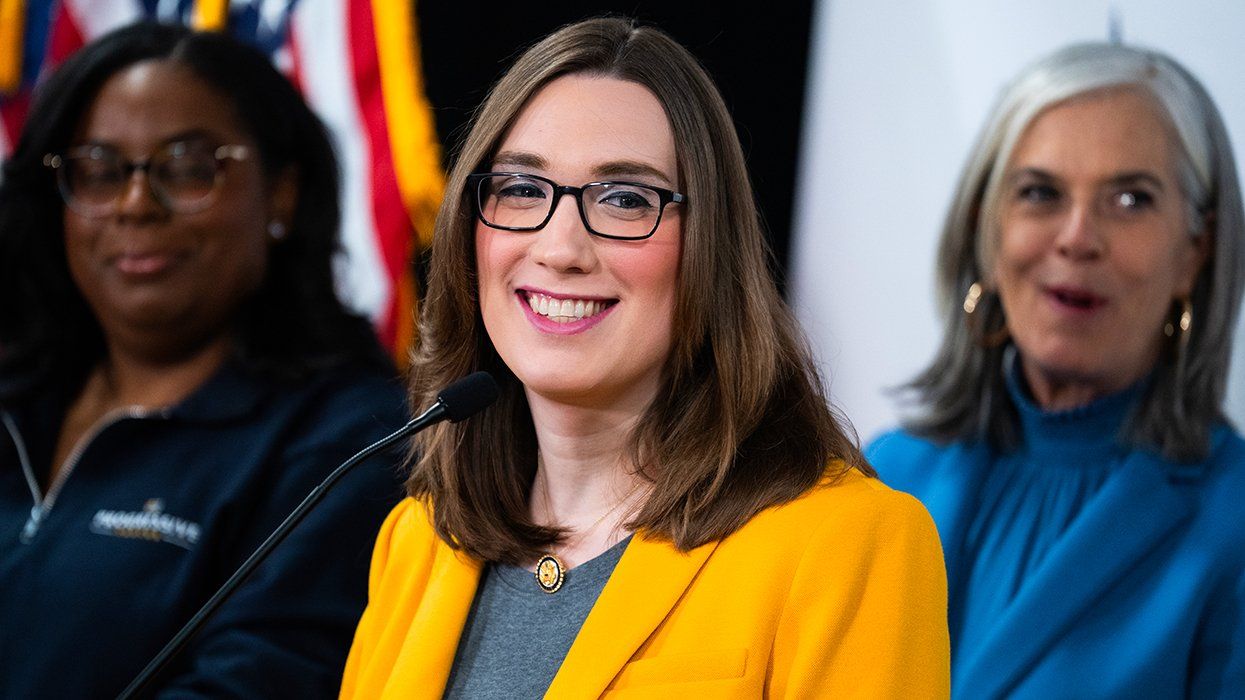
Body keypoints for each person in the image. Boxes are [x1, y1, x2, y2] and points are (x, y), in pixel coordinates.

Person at [341, 16, 949, 699]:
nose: (559, 248)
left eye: (625, 199)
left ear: (708, 252)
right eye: (520, 189)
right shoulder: (415, 540)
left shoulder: (851, 544)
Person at [0, 23, 407, 698]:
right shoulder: (18, 397)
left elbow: (260, 680)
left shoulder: (348, 446)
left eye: (189, 169)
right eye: (98, 171)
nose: (135, 204)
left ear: (281, 193)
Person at [868, 43, 1245, 698]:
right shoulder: (883, 476)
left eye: (1129, 199)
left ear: (1194, 253)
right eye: (1039, 193)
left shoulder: (1233, 522)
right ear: (987, 229)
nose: (1075, 237)